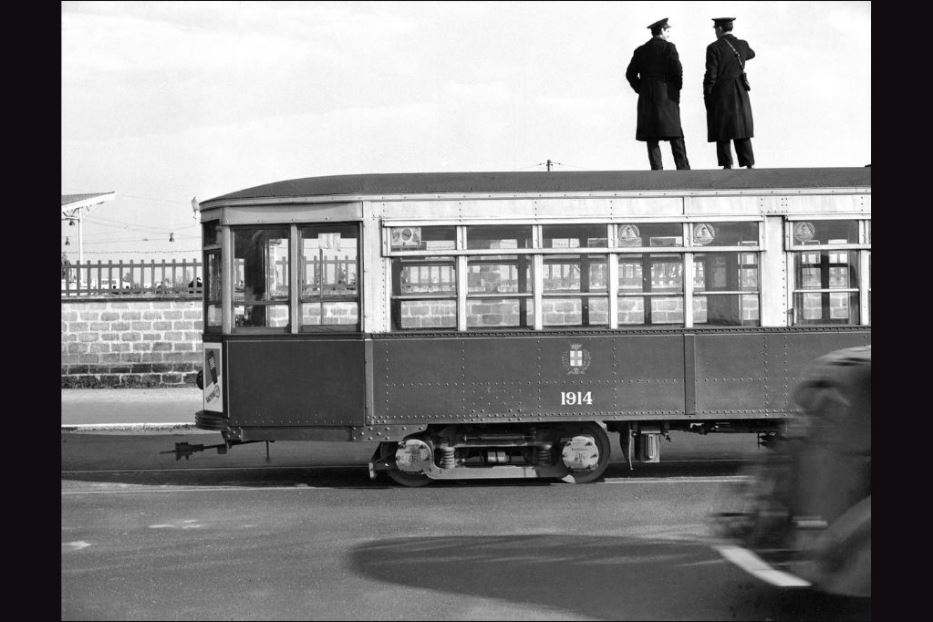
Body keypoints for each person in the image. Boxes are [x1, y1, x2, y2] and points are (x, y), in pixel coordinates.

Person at [625, 17, 690, 171]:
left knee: (652, 136)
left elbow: (630, 74)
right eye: (668, 31)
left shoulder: (640, 51)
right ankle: (683, 170)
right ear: (661, 31)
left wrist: (641, 89)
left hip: (647, 98)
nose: (669, 34)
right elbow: (677, 71)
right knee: (675, 134)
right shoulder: (669, 48)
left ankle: (657, 172)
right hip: (668, 97)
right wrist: (675, 89)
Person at [703, 17, 756, 169]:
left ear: (719, 29)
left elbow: (711, 73)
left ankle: (727, 164)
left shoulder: (713, 48)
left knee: (723, 128)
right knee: (741, 126)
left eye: (715, 29)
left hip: (721, 91)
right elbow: (751, 54)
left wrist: (707, 92)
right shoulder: (742, 44)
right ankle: (748, 163)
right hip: (740, 89)